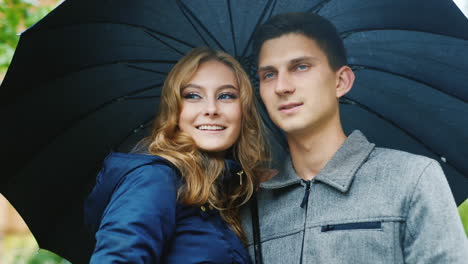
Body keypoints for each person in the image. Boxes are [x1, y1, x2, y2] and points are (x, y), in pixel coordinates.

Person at [240, 12, 468, 263]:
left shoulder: (411, 178)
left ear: (341, 81)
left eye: (300, 66)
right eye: (268, 74)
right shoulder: (252, 208)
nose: (282, 86)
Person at [84, 47, 268, 263]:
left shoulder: (219, 195)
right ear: (175, 110)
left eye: (226, 95)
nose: (211, 109)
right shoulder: (156, 178)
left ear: (244, 110)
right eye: (193, 95)